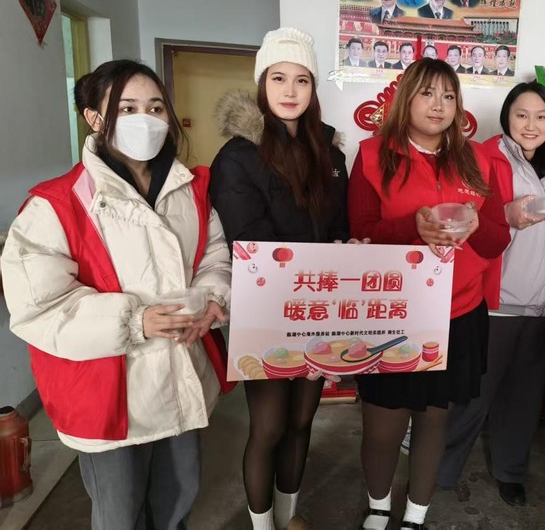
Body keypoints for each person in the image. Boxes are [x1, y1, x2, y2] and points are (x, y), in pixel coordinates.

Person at [0, 59, 232, 529]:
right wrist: (133, 321)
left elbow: (214, 257)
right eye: (127, 108)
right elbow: (39, 306)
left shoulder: (190, 191)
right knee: (119, 512)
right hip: (108, 391)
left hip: (181, 373)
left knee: (178, 497)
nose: (145, 119)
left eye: (155, 108)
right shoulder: (56, 204)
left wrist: (213, 299)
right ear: (94, 117)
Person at [348, 58, 510, 530]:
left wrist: (478, 225)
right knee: (384, 424)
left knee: (435, 419)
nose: (438, 105)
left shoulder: (477, 159)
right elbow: (361, 231)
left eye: (448, 95)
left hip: (458, 311)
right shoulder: (373, 155)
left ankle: (415, 515)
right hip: (392, 312)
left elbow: (497, 241)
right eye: (427, 93)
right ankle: (379, 508)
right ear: (407, 99)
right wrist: (411, 227)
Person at [209, 28, 349, 530]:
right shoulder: (237, 157)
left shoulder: (331, 155)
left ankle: (289, 516)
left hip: (318, 306)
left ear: (313, 88)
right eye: (278, 78)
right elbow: (251, 242)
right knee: (268, 426)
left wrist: (348, 251)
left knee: (302, 420)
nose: (290, 91)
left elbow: (339, 228)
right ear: (262, 83)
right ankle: (262, 524)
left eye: (302, 80)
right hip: (265, 309)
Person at [437, 82, 545, 507]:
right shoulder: (483, 157)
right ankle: (438, 470)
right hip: (499, 302)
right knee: (472, 397)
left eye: (541, 117)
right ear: (507, 116)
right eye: (522, 115)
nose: (532, 125)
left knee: (525, 396)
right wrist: (507, 215)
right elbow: (465, 217)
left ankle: (511, 472)